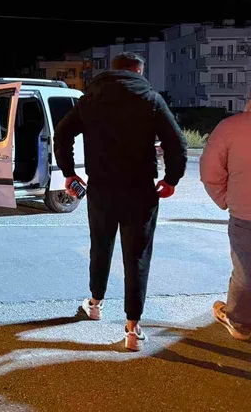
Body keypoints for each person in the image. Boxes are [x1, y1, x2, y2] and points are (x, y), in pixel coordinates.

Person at [54, 51, 187, 351]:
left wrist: (69, 173)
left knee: (100, 246)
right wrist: (171, 179)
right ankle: (132, 328)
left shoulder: (91, 98)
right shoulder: (151, 99)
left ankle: (95, 304)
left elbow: (62, 134)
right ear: (138, 71)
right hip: (140, 190)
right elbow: (176, 142)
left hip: (102, 188)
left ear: (114, 70)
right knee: (137, 255)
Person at [200, 100, 251, 341]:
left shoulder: (230, 127)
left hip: (245, 213)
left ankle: (240, 323)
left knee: (245, 268)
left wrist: (225, 200)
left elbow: (210, 171)